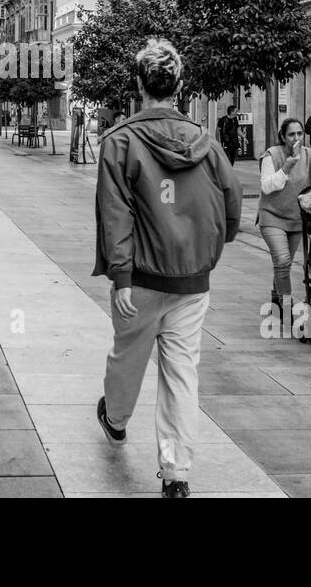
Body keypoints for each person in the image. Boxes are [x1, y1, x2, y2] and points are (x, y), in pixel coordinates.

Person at [93, 38, 243, 499]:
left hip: (138, 280)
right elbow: (232, 205)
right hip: (192, 280)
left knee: (127, 358)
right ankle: (176, 473)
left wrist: (120, 274)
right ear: (180, 85)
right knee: (182, 372)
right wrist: (209, 249)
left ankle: (116, 420)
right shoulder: (208, 144)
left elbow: (114, 214)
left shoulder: (119, 142)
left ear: (139, 84)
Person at [258, 117, 311, 312]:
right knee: (283, 260)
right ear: (283, 137)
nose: (296, 138)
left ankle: (276, 297)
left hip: (297, 218)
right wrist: (287, 166)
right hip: (271, 216)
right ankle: (285, 305)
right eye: (291, 134)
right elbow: (267, 187)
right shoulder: (272, 155)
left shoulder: (309, 155)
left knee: (283, 264)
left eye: (299, 134)